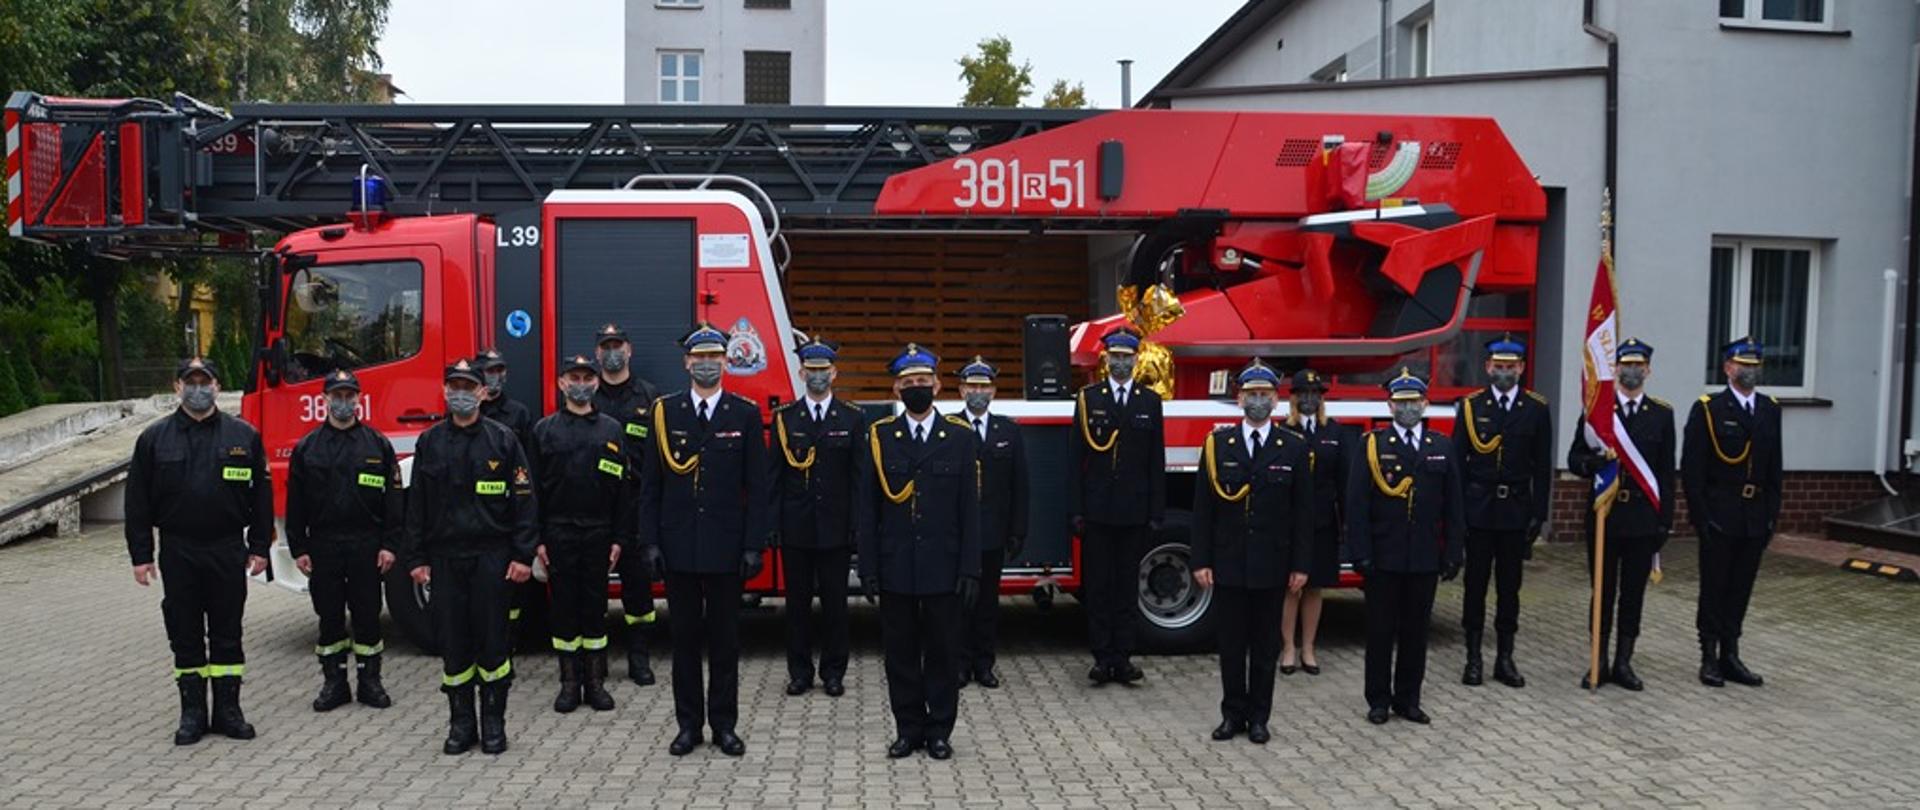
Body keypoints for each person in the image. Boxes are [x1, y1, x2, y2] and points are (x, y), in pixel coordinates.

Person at [637, 323, 771, 757]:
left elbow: (758, 487)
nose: (707, 364)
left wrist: (754, 545)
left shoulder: (745, 414)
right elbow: (651, 486)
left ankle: (725, 726)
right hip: (678, 548)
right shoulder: (665, 412)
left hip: (726, 548)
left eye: (715, 357)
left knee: (726, 644)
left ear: (725, 362)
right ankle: (688, 726)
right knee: (684, 643)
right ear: (687, 363)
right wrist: (650, 542)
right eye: (700, 358)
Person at [125, 357, 272, 745]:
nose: (197, 388)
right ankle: (192, 714)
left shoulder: (243, 436)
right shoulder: (154, 439)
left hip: (227, 549)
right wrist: (141, 555)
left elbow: (262, 497)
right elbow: (137, 503)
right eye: (189, 382)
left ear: (217, 387)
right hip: (179, 550)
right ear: (177, 388)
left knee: (228, 633)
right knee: (185, 633)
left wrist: (259, 546)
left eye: (204, 381)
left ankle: (228, 711)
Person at [401, 358, 538, 755]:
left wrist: (523, 555)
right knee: (455, 643)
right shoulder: (430, 442)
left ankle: (494, 724)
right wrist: (416, 558)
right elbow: (417, 509)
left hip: (492, 558)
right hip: (445, 559)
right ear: (445, 392)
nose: (460, 394)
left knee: (493, 644)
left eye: (468, 387)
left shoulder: (503, 440)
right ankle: (461, 724)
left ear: (482, 392)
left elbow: (525, 501)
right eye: (454, 387)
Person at [856, 344, 981, 761]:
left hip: (943, 568)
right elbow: (867, 508)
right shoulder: (879, 438)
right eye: (908, 384)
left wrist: (970, 568)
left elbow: (969, 510)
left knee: (944, 653)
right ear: (896, 389)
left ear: (938, 385)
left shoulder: (960, 439)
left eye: (922, 383)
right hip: (896, 568)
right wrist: (869, 567)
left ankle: (940, 730)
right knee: (901, 655)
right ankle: (908, 729)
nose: (916, 389)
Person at [1190, 360, 1312, 745]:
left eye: (1265, 395)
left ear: (1276, 400)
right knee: (1230, 646)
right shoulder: (1218, 445)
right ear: (1239, 398)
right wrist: (1201, 559)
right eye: (1251, 395)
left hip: (1272, 564)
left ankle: (1260, 718)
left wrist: (1301, 565)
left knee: (1264, 645)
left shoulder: (1292, 447)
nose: (1258, 401)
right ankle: (1232, 715)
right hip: (1228, 562)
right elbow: (1203, 509)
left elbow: (1303, 515)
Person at [1347, 368, 1464, 726]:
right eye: (1401, 403)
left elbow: (1453, 506)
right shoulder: (1372, 446)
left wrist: (1452, 553)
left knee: (1416, 632)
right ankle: (1378, 699)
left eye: (1414, 402)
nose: (1408, 409)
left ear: (1426, 404)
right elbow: (1357, 505)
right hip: (1384, 556)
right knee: (1381, 631)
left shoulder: (1441, 447)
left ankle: (1408, 699)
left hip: (1424, 558)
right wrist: (1360, 553)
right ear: (1390, 405)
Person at [284, 369, 400, 713]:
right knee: (329, 617)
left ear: (359, 399)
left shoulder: (377, 445)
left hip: (367, 544)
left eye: (350, 396)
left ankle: (370, 683)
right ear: (325, 401)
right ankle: (334, 684)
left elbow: (394, 502)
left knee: (367, 615)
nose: (344, 402)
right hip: (324, 546)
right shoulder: (308, 448)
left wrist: (390, 544)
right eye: (337, 396)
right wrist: (299, 549)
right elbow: (296, 505)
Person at [1566, 338, 1675, 690]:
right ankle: (1598, 660)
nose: (1632, 370)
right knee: (1604, 591)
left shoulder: (1662, 414)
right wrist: (1591, 463)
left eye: (1638, 365)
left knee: (1633, 594)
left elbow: (1665, 473)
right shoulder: (1597, 412)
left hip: (1643, 518)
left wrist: (1665, 522)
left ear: (1648, 370)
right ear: (1614, 369)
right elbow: (1574, 459)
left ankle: (1624, 661)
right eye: (1625, 364)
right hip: (1605, 516)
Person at [529, 354, 635, 714]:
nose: (581, 384)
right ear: (561, 383)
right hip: (558, 533)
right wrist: (537, 540)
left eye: (587, 378)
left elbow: (623, 491)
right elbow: (533, 494)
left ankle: (595, 684)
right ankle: (569, 685)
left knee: (595, 610)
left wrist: (619, 538)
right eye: (573, 377)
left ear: (595, 383)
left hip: (599, 534)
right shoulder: (544, 431)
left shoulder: (611, 430)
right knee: (563, 611)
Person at [1452, 334, 1552, 689]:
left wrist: (1538, 515)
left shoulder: (1536, 408)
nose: (1505, 373)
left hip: (1515, 511)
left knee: (1510, 588)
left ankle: (1505, 657)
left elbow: (1542, 466)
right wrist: (1458, 515)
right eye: (1499, 367)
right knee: (1474, 586)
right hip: (1478, 510)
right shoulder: (1471, 406)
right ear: (1488, 367)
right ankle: (1473, 657)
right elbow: (1457, 465)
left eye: (1511, 367)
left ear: (1522, 368)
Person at [1682, 336, 1783, 689]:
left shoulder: (1770, 409)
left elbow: (1774, 469)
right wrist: (1700, 516)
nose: (1749, 372)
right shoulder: (1709, 409)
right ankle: (1708, 656)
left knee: (1741, 587)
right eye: (1743, 365)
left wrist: (1772, 514)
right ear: (1728, 368)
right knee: (1715, 586)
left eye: (1754, 366)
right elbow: (1692, 470)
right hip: (1719, 514)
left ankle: (1731, 653)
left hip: (1754, 515)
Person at [1068, 326, 1165, 685]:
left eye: (1127, 357)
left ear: (1136, 359)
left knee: (1126, 587)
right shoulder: (1088, 399)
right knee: (1098, 588)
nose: (1121, 363)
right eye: (1115, 357)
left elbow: (1156, 460)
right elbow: (1074, 459)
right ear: (1106, 359)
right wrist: (1075, 510)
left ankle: (1123, 658)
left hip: (1134, 512)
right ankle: (1100, 657)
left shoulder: (1149, 402)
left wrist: (1156, 511)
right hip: (1096, 512)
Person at [772, 335, 868, 698]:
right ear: (800, 372)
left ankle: (833, 672)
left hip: (835, 529)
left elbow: (860, 479)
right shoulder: (785, 419)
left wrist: (858, 525)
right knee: (796, 606)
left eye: (823, 370)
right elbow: (774, 478)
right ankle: (799, 672)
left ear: (834, 373)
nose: (817, 376)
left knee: (836, 605)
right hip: (795, 528)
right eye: (811, 370)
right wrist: (772, 525)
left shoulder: (852, 418)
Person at [590, 323, 663, 686]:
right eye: (606, 346)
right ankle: (596, 663)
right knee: (594, 589)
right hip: (596, 507)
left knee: (638, 586)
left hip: (635, 504)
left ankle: (639, 659)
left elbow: (660, 457)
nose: (612, 352)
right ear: (597, 353)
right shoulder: (587, 396)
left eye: (617, 345)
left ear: (629, 350)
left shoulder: (648, 397)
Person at [955, 356, 1028, 690]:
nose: (977, 392)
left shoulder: (1008, 431)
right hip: (957, 535)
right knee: (958, 602)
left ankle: (984, 665)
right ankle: (959, 664)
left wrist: (1017, 531)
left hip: (993, 532)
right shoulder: (950, 428)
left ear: (994, 391)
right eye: (972, 386)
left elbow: (1020, 486)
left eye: (983, 387)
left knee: (987, 603)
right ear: (961, 390)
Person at [1281, 368, 1353, 677]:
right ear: (1293, 398)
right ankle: (1287, 648)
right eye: (1303, 394)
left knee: (1314, 587)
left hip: (1323, 522)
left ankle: (1309, 647)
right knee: (1290, 588)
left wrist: (1348, 526)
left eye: (1315, 394)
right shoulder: (1282, 432)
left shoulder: (1335, 433)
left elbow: (1344, 482)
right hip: (1290, 523)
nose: (1309, 399)